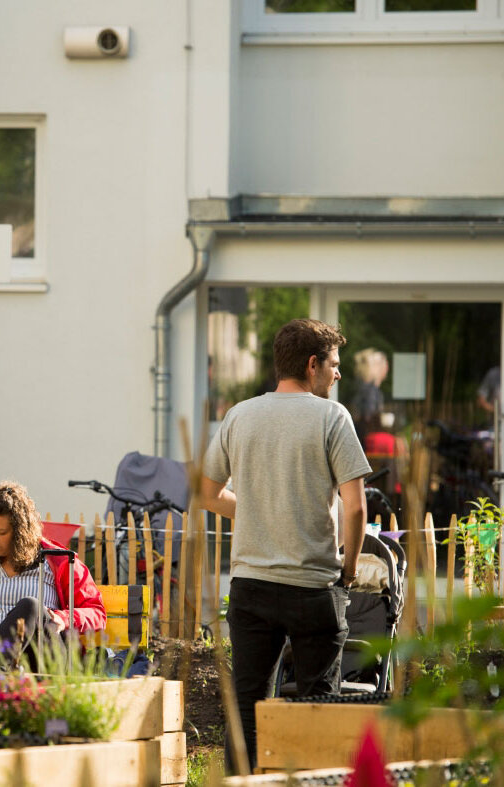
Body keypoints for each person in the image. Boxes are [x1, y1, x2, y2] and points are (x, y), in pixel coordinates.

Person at [199, 318, 370, 774]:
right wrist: (349, 571)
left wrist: (257, 512)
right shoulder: (332, 417)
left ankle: (241, 783)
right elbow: (354, 509)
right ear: (312, 365)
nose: (337, 374)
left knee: (248, 707)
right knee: (317, 709)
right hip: (315, 586)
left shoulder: (240, 414)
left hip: (252, 587)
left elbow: (209, 493)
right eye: (333, 365)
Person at [0, 481, 105, 667]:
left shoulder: (58, 561)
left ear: (20, 532)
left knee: (31, 606)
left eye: (1, 532)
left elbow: (97, 613)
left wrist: (63, 618)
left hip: (41, 651)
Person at [350, 348, 389, 447]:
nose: (384, 366)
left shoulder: (368, 390)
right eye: (376, 364)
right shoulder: (369, 391)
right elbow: (368, 417)